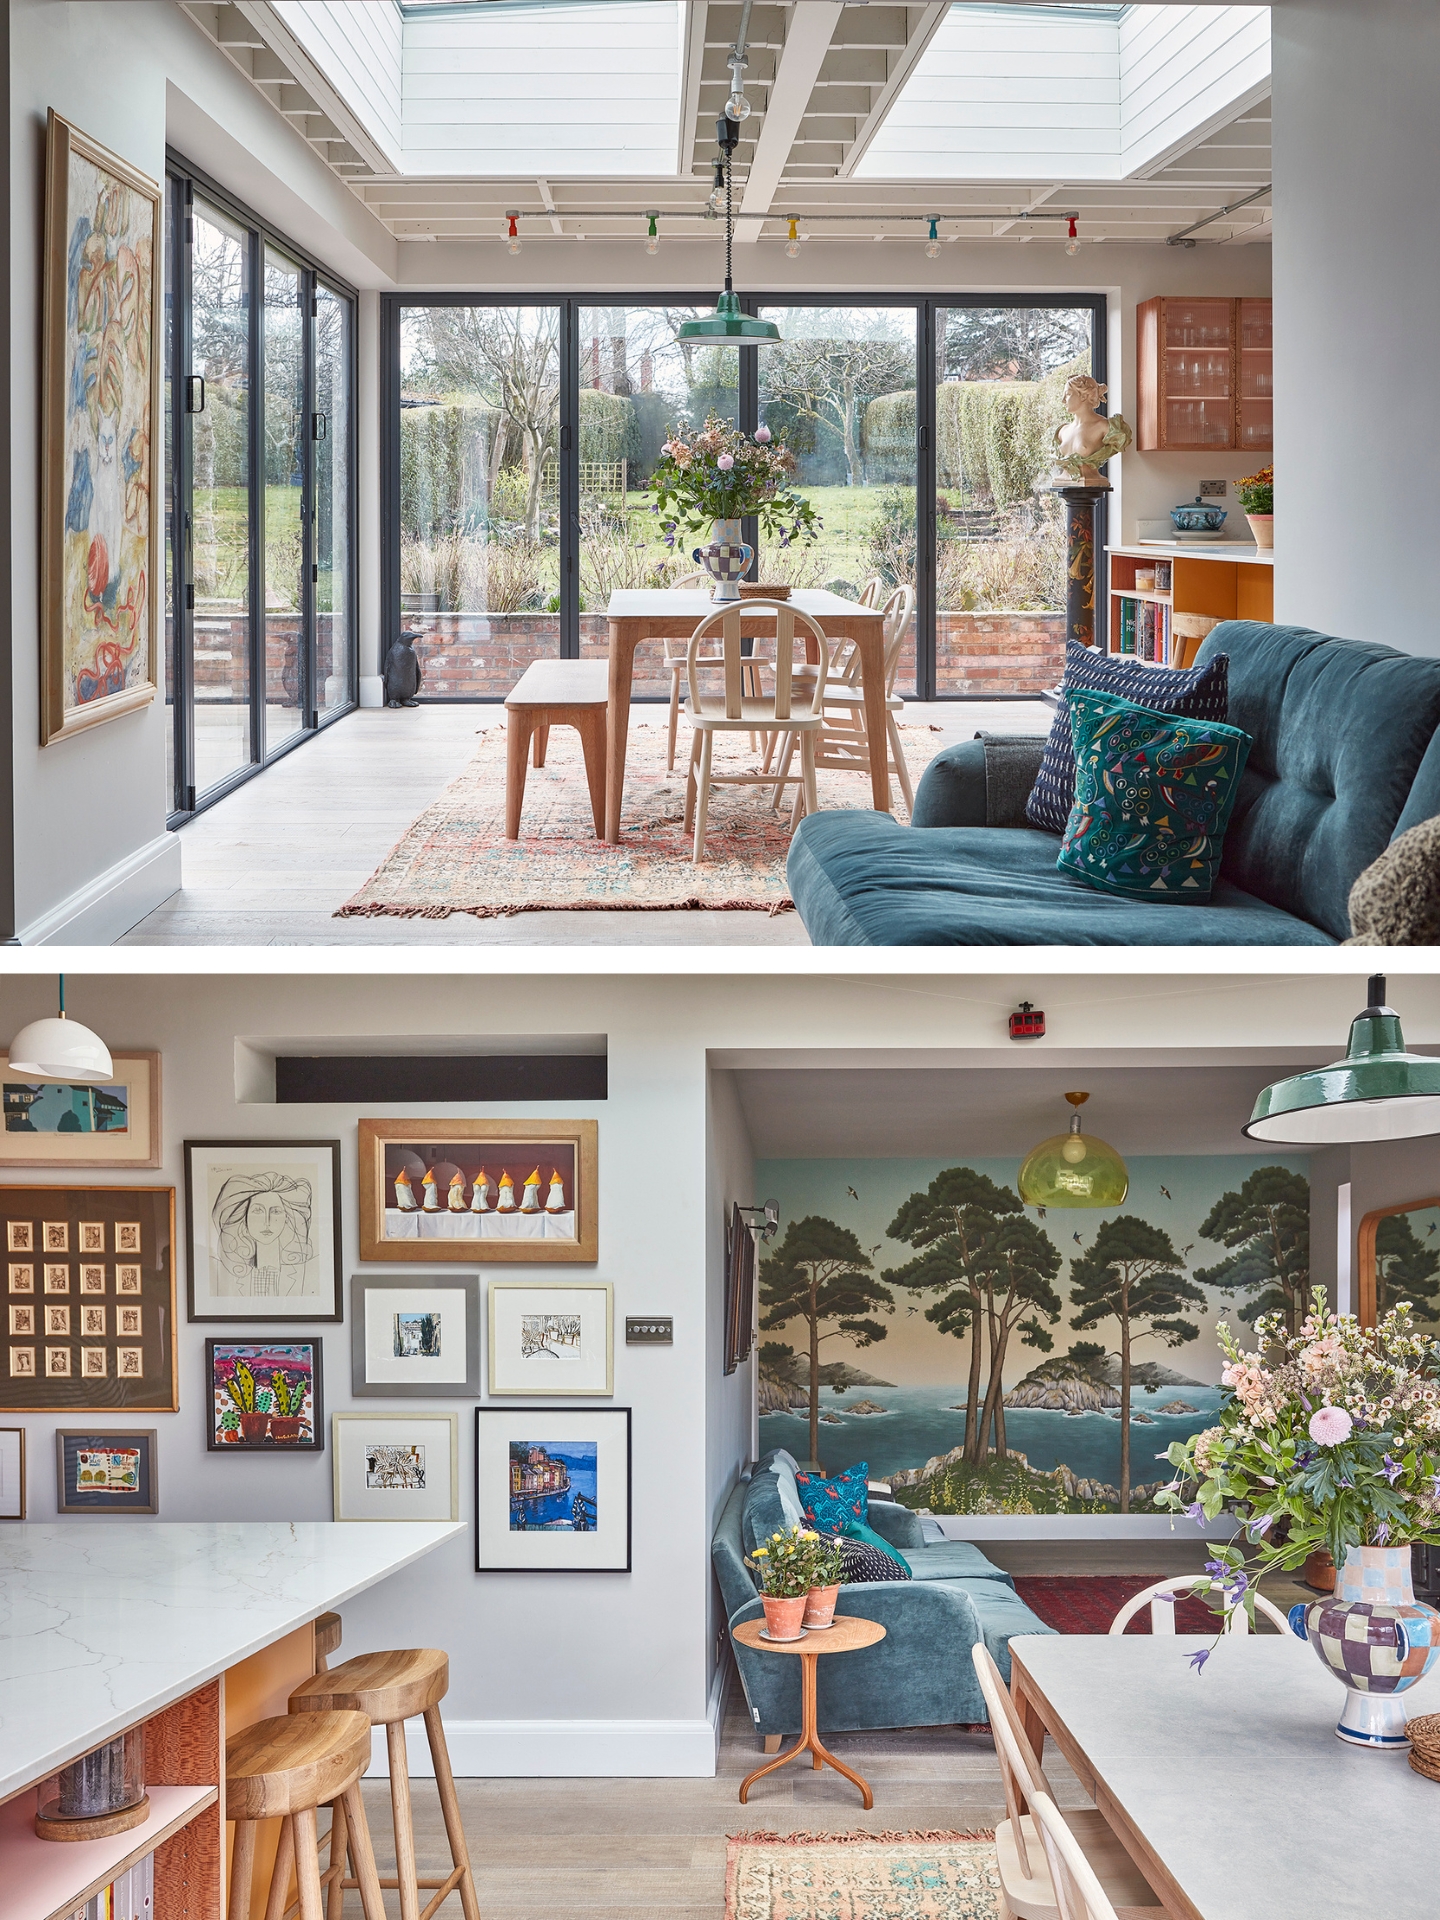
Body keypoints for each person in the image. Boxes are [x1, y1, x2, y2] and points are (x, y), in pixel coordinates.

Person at [1050, 374, 1132, 487]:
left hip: (1090, 484)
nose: (1063, 400)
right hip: (1065, 482)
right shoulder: (1063, 431)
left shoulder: (1105, 427)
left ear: (1083, 396)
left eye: (1068, 394)